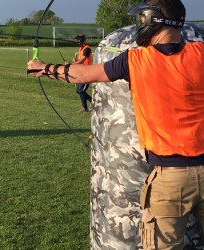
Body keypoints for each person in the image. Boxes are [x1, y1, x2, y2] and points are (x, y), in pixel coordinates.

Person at [28, 0, 204, 249]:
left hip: (171, 180)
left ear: (152, 21)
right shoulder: (200, 52)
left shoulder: (137, 60)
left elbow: (84, 75)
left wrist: (43, 69)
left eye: (142, 19)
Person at [72, 34, 92, 113]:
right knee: (78, 90)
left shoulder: (87, 49)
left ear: (82, 40)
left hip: (87, 72)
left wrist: (72, 64)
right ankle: (93, 102)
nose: (77, 41)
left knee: (80, 90)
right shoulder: (81, 48)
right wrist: (76, 60)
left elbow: (83, 61)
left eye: (78, 40)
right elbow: (80, 60)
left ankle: (85, 108)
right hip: (81, 71)